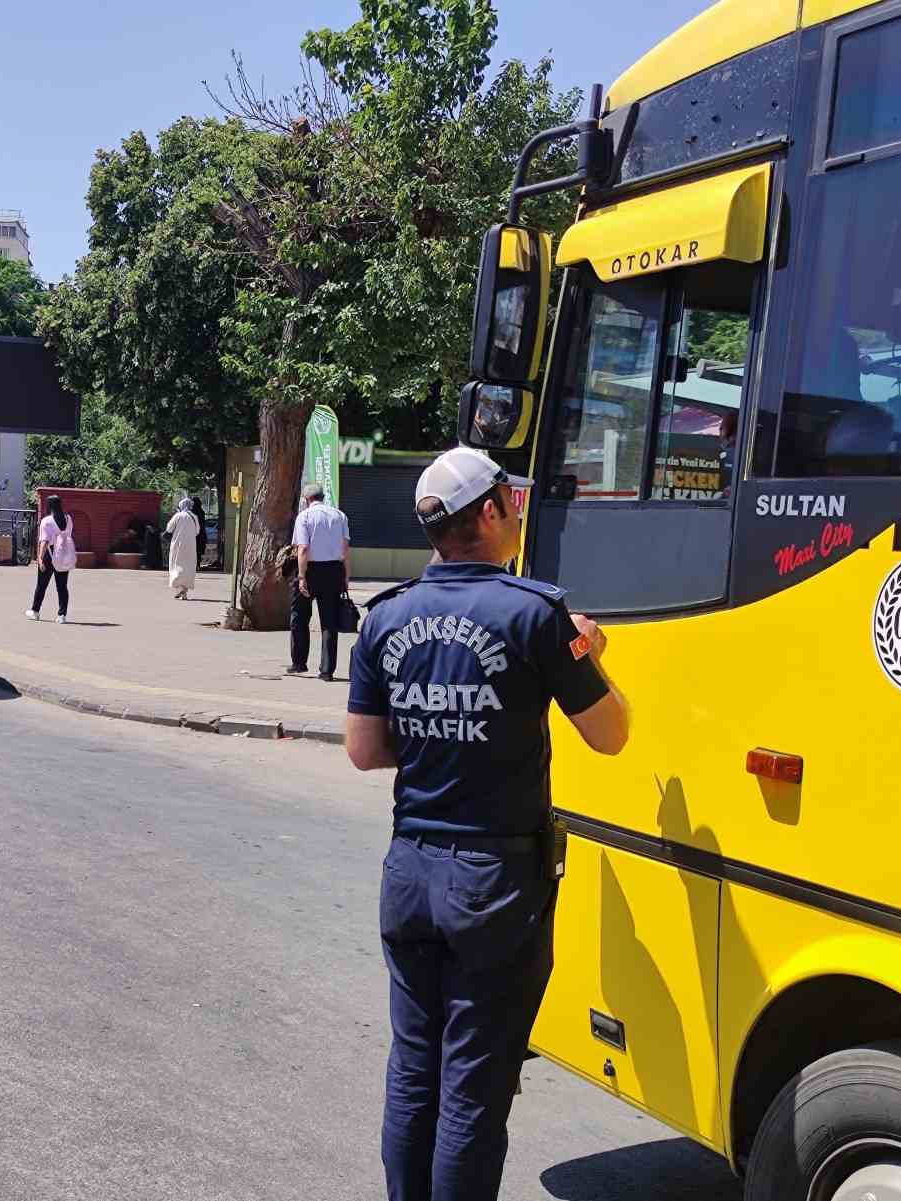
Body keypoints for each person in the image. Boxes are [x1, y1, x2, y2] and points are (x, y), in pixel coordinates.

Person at [344, 447, 631, 1201]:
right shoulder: (535, 614)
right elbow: (611, 733)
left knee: (414, 1068)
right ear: (496, 510)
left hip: (410, 871)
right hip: (494, 883)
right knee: (473, 1083)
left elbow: (365, 750)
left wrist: (436, 726)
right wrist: (590, 655)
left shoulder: (388, 616)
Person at [288, 481, 351, 681]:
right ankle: (327, 670)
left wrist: (301, 576)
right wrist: (346, 576)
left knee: (299, 617)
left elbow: (303, 549)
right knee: (329, 622)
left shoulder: (304, 517)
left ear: (307, 500)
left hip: (310, 570)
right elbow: (345, 549)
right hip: (334, 570)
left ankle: (299, 662)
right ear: (323, 497)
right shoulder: (340, 516)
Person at [26, 495, 77, 623]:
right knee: (62, 586)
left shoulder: (47, 521)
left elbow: (44, 542)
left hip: (49, 554)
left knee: (42, 585)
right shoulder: (68, 518)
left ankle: (35, 611)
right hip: (63, 554)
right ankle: (62, 615)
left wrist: (40, 558)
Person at [165, 497, 200, 599]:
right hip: (191, 546)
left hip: (178, 545)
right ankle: (184, 590)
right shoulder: (194, 517)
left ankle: (180, 589)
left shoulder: (178, 516)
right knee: (188, 566)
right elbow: (197, 531)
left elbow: (169, 528)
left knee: (177, 564)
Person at [189, 496, 208, 568]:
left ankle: (193, 565)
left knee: (192, 550)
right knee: (198, 551)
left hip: (193, 534)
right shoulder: (202, 512)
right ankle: (198, 565)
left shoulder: (191, 512)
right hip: (201, 534)